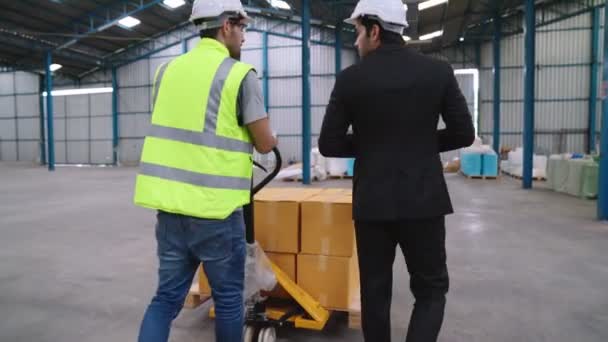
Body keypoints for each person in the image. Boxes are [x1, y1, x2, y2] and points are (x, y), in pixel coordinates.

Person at [318, 0, 475, 341]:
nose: (356, 42)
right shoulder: (437, 72)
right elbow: (464, 133)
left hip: (373, 203)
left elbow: (329, 143)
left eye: (358, 33)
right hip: (424, 201)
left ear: (375, 31)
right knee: (431, 290)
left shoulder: (350, 80)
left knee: (375, 294)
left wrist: (374, 144)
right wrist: (417, 143)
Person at [133, 1, 276, 341]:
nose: (243, 36)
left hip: (170, 210)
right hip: (216, 212)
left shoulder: (165, 72)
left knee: (166, 298)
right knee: (228, 299)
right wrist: (269, 138)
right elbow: (265, 143)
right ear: (226, 25)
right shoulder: (239, 74)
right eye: (242, 27)